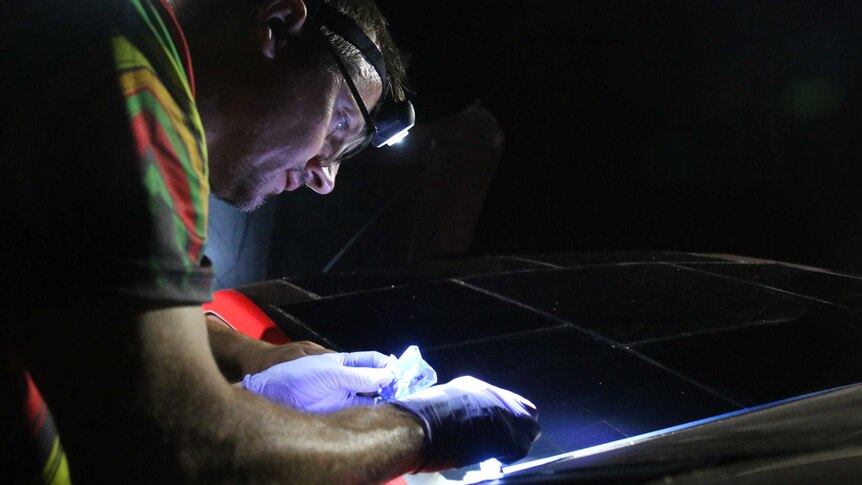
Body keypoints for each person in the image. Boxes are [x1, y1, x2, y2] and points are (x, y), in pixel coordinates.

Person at [0, 0, 540, 483]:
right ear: (279, 24)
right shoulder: (130, 106)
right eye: (339, 125)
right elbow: (184, 450)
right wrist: (421, 428)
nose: (325, 179)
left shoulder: (102, 43)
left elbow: (102, 305)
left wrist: (255, 359)